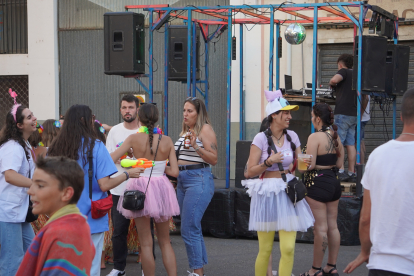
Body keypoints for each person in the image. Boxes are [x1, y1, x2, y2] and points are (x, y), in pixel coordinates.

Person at [47, 104, 143, 276]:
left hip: (61, 217)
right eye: (92, 118)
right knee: (89, 268)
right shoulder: (95, 146)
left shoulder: (55, 148)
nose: (94, 122)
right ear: (84, 121)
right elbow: (104, 185)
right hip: (90, 217)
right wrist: (127, 174)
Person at [242, 90, 314, 276]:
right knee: (265, 250)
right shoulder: (260, 139)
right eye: (286, 112)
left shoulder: (293, 136)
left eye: (290, 113)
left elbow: (302, 167)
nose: (290, 116)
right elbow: (250, 171)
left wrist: (307, 163)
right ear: (274, 115)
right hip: (266, 194)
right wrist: (269, 162)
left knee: (288, 248)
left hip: (287, 193)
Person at [344, 88, 414, 276]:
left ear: (400, 117)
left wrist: (365, 252)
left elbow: (365, 218)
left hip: (380, 264)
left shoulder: (377, 155)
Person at [112, 103, 180, 276]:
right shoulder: (167, 140)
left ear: (139, 118)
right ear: (157, 119)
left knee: (146, 243)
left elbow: (111, 158)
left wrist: (133, 162)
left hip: (140, 186)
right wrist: (158, 167)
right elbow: (174, 172)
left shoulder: (134, 139)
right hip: (161, 188)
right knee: (165, 241)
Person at [16, 156, 95, 276]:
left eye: (40, 186)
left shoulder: (63, 235)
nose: (30, 191)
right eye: (32, 184)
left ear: (66, 193)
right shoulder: (76, 225)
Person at [298, 103, 344, 276]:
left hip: (317, 185)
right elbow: (339, 164)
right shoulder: (336, 137)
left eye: (312, 116)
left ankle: (315, 270)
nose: (311, 119)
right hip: (334, 183)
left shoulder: (314, 137)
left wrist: (303, 160)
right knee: (333, 226)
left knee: (320, 228)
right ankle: (331, 266)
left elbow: (305, 167)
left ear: (318, 119)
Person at [174, 97, 218, 276]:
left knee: (188, 227)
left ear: (198, 113)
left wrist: (195, 147)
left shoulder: (205, 129)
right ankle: (198, 269)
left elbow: (214, 159)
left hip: (198, 178)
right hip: (183, 179)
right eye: (184, 110)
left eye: (190, 111)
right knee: (192, 226)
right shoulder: (187, 131)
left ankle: (197, 272)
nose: (185, 114)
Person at [0, 99, 37, 275]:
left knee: (32, 252)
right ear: (20, 125)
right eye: (29, 117)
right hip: (9, 212)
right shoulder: (13, 147)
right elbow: (10, 175)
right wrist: (37, 185)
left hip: (20, 212)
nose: (34, 118)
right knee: (12, 262)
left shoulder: (25, 145)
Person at [104, 95, 140, 276]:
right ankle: (119, 268)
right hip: (118, 188)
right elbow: (108, 158)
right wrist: (126, 158)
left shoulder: (145, 130)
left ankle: (146, 269)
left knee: (145, 231)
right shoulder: (114, 131)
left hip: (142, 188)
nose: (127, 111)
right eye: (124, 107)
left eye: (131, 107)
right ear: (120, 110)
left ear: (137, 109)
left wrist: (124, 158)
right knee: (119, 231)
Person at [329, 54, 357, 182]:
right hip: (353, 113)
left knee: (338, 142)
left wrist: (331, 83)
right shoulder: (356, 73)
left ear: (340, 64)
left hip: (343, 113)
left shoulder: (343, 71)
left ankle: (340, 170)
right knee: (350, 144)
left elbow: (335, 80)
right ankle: (351, 172)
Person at [356, 95, 370, 165]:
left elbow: (366, 98)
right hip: (363, 118)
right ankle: (362, 168)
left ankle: (360, 169)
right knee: (361, 142)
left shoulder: (361, 84)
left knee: (358, 143)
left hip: (361, 118)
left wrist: (360, 115)